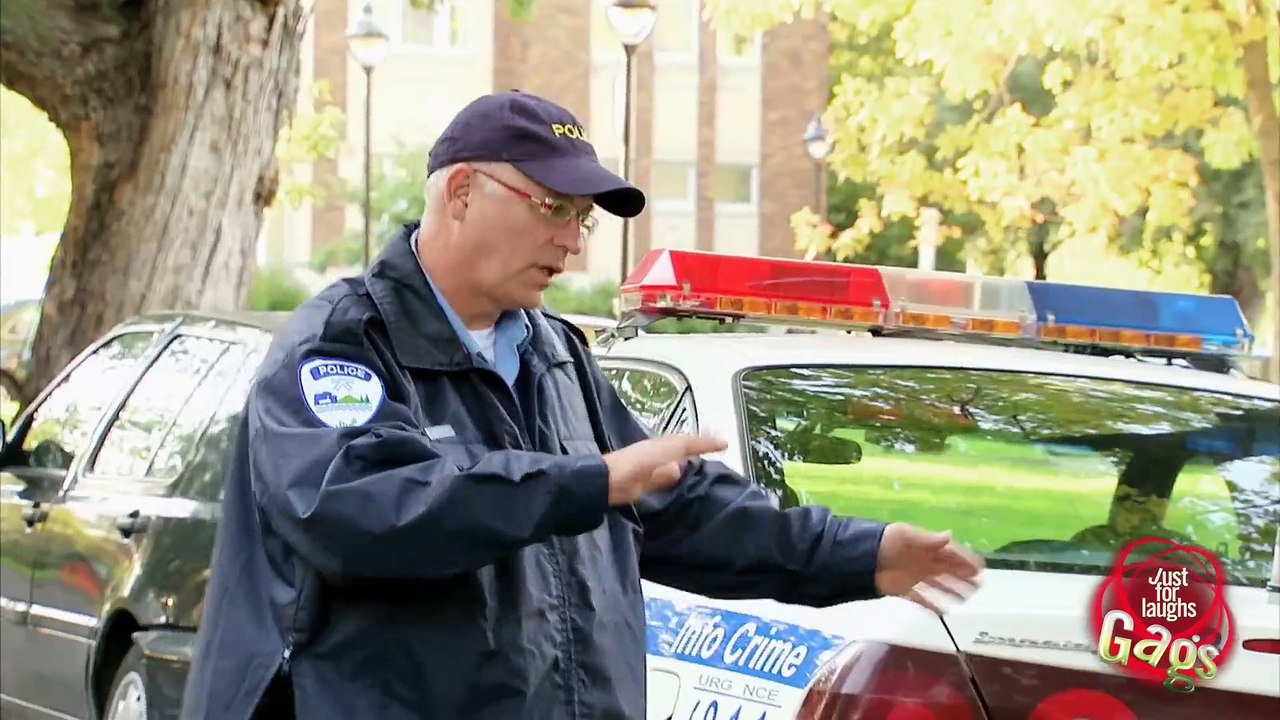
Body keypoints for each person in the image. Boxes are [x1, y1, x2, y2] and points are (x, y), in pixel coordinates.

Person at [181, 91, 984, 720]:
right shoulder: (343, 343)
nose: (572, 241)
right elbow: (364, 512)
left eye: (583, 220)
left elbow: (676, 508)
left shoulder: (554, 351)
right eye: (552, 209)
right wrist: (583, 485)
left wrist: (863, 553)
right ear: (461, 193)